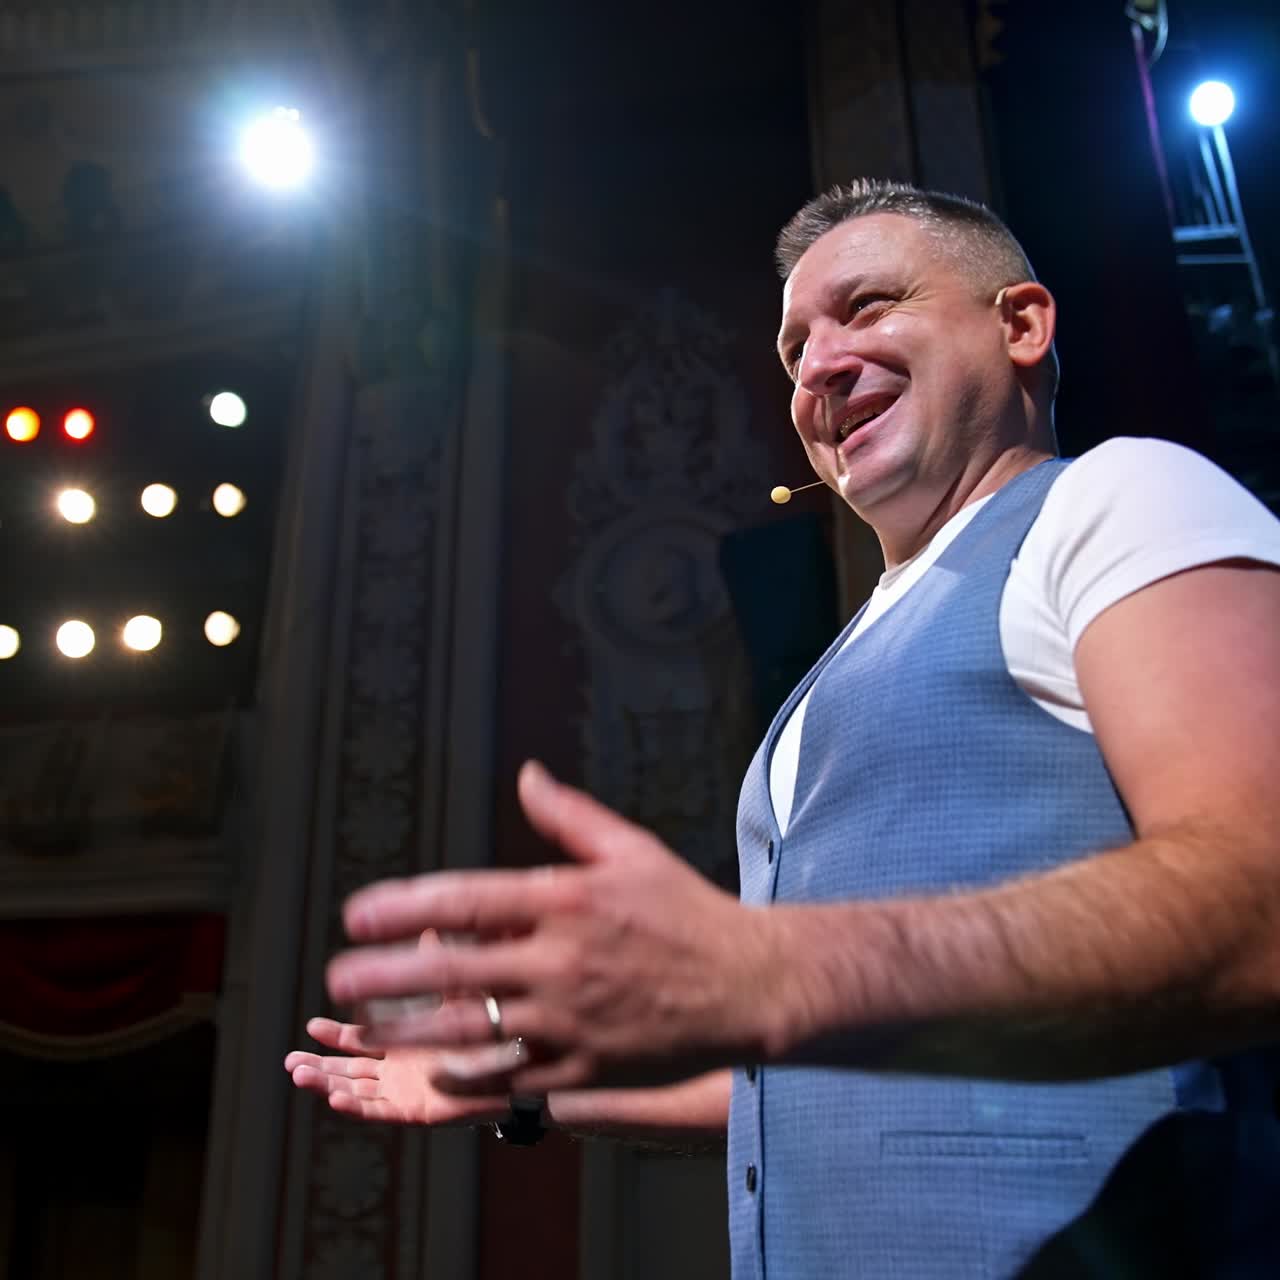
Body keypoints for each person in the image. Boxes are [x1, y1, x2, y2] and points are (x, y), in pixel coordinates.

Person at [287, 179, 1280, 1277]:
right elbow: (801, 1072)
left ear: (1020, 325)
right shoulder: (833, 666)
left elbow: (1261, 896)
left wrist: (777, 967)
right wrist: (525, 1085)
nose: (816, 365)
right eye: (793, 346)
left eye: (866, 307)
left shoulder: (1118, 498)